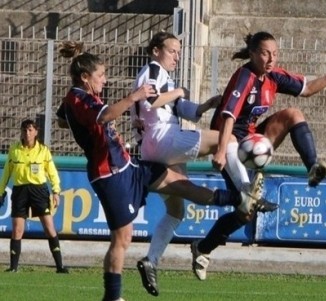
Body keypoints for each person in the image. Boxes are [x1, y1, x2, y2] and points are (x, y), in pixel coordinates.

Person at [56, 41, 274, 300]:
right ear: (84, 77)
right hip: (111, 174)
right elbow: (108, 115)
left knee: (180, 190)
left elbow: (62, 118)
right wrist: (133, 100)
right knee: (122, 238)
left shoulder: (79, 98)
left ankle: (239, 199)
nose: (105, 80)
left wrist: (83, 124)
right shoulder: (81, 96)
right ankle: (112, 297)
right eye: (100, 75)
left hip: (130, 165)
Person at [190, 31, 326, 281]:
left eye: (275, 53)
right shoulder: (244, 76)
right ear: (253, 53)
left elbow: (308, 89)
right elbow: (228, 116)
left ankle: (312, 168)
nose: (271, 59)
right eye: (265, 53)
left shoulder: (274, 76)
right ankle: (203, 248)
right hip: (229, 142)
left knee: (293, 113)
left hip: (253, 141)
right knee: (245, 211)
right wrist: (220, 151)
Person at [130, 31, 278, 295]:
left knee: (176, 212)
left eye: (178, 51)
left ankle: (150, 261)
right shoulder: (151, 70)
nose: (176, 56)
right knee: (229, 137)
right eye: (172, 50)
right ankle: (247, 192)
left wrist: (205, 105)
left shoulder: (163, 75)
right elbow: (151, 101)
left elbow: (183, 109)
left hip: (155, 147)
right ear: (155, 51)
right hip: (164, 139)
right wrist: (178, 91)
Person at [0, 119, 68, 274]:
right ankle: (13, 267)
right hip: (20, 191)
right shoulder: (14, 150)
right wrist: (0, 191)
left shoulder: (43, 150)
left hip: (39, 191)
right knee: (17, 229)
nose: (27, 133)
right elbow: (6, 173)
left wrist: (56, 191)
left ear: (36, 132)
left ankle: (60, 266)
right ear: (21, 132)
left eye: (30, 130)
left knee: (49, 227)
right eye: (24, 130)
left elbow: (52, 173)